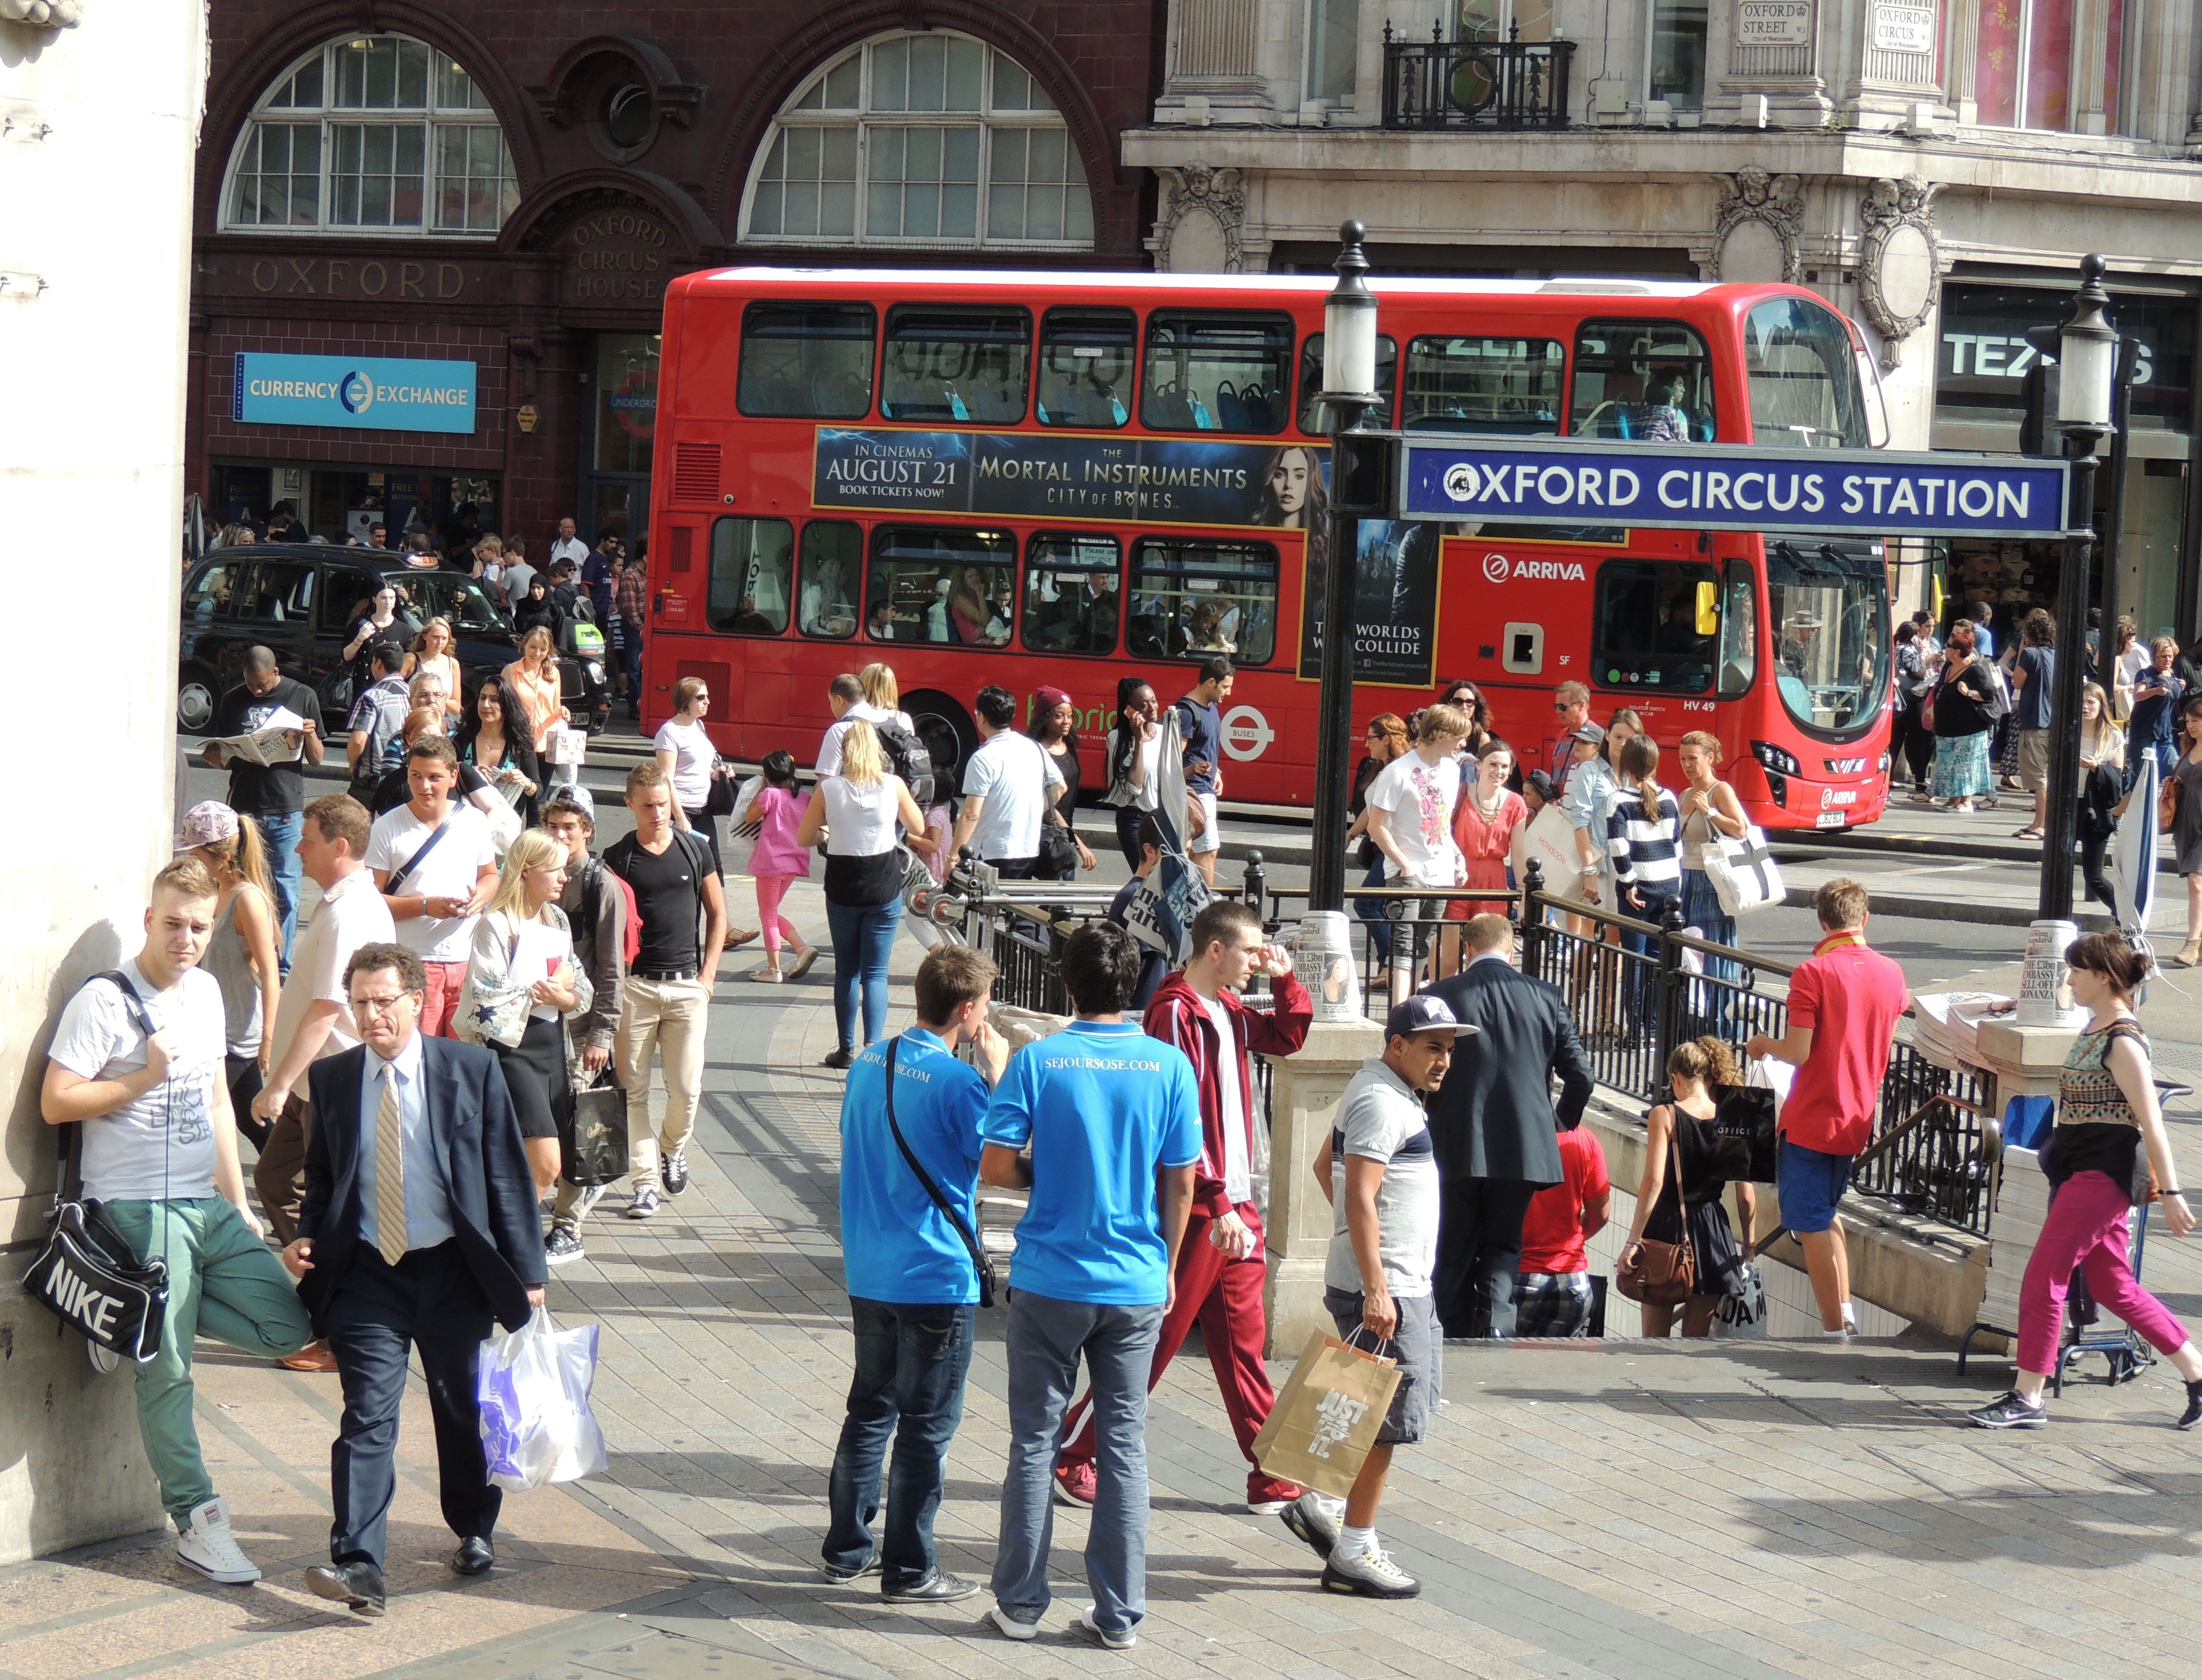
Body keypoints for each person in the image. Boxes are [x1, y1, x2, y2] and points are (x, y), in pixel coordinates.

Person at [41, 857, 316, 1584]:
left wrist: (240, 1203)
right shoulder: (105, 1000)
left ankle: (127, 1318)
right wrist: (142, 1078)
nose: (185, 938)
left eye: (198, 927)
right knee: (169, 1373)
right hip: (137, 1205)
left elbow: (218, 1101)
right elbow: (56, 1101)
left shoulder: (207, 992)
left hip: (206, 1204)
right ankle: (197, 1519)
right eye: (172, 924)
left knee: (290, 1328)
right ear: (148, 921)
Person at [281, 941, 546, 1617]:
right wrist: (308, 1233)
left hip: (454, 1270)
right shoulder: (333, 1077)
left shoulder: (471, 1069)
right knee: (367, 1415)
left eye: (384, 1002)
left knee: (459, 1407)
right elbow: (323, 1173)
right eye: (360, 1003)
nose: (372, 1015)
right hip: (369, 1275)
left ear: (416, 1001)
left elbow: (506, 1174)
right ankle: (359, 1563)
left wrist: (528, 1272)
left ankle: (474, 1527)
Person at [979, 924, 1201, 1650]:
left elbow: (995, 1165)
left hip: (1050, 1278)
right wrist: (1168, 1267)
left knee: (1034, 1442)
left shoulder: (1038, 1060)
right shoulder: (1168, 1066)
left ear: (1066, 984)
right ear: (1133, 984)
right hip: (1134, 1280)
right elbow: (1181, 1180)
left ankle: (1020, 1605)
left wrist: (1049, 1175)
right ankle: (1119, 1614)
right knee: (1124, 1446)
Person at [1052, 900, 1312, 1514]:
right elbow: (1179, 1119)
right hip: (1200, 1208)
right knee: (1158, 1339)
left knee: (1243, 1346)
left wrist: (1285, 980)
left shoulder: (1224, 1008)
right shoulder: (1175, 1010)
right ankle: (1069, 1451)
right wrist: (1218, 1201)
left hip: (1231, 1204)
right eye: (1250, 951)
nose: (1257, 961)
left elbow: (1289, 1036)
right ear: (1215, 950)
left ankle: (1272, 1472)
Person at [823, 946, 1009, 1602]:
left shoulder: (869, 1060)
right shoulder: (960, 1082)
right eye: (984, 1005)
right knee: (926, 1425)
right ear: (967, 1008)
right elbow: (998, 1161)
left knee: (869, 1410)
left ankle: (846, 1550)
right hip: (933, 1274)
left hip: (869, 1267)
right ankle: (908, 1568)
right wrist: (1000, 1075)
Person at [1968, 934, 2202, 1430]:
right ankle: (2198, 1372)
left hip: (2101, 1175)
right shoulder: (2096, 1024)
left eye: (2076, 970)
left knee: (2043, 1278)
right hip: (2083, 1170)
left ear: (2103, 976)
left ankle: (2028, 1397)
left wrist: (2172, 1192)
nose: (2068, 979)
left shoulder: (2123, 1041)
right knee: (2112, 1285)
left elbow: (2151, 1123)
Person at [1281, 994, 1467, 1599]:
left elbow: (1325, 1167)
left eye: (1449, 1049)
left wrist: (1361, 1248)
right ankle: (1355, 1550)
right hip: (1389, 1291)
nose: (1443, 1060)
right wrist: (1377, 1284)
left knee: (1366, 1409)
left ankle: (1324, 1504)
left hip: (1394, 1283)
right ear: (1398, 1045)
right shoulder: (1383, 1102)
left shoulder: (1382, 1091)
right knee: (1384, 1424)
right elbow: (1357, 1192)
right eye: (1433, 1047)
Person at [1746, 878, 1908, 1339]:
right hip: (1857, 1115)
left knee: (1808, 1219)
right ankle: (1845, 1311)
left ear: (1822, 922)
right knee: (1827, 1211)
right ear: (1864, 918)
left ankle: (1834, 1330)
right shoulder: (1891, 972)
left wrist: (1763, 1045)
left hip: (1812, 1116)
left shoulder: (1812, 973)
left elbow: (1797, 1051)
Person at [1424, 911, 1594, 1337]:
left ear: (1467, 949)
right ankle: (1496, 1334)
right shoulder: (1546, 996)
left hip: (1455, 1141)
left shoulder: (1441, 995)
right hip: (1523, 1146)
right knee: (1503, 1249)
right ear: (1511, 949)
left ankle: (1449, 1338)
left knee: (1451, 1251)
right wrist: (1555, 1126)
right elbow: (1581, 1076)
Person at [607, 763, 730, 1219]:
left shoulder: (695, 849)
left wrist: (708, 976)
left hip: (686, 987)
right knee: (632, 1091)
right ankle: (644, 1184)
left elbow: (718, 913)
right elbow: (607, 926)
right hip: (635, 988)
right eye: (647, 806)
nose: (657, 813)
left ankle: (672, 1148)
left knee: (686, 1088)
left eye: (662, 803)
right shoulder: (618, 857)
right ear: (630, 804)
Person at [800, 721, 937, 1067]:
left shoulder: (829, 789)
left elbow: (804, 837)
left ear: (844, 753)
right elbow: (918, 826)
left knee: (847, 970)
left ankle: (845, 1049)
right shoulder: (893, 785)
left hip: (843, 885)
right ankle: (873, 1047)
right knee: (876, 972)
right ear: (877, 751)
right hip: (883, 884)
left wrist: (827, 832)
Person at [462, 829, 583, 1198]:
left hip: (553, 1050)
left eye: (564, 869)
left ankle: (512, 1227)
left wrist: (565, 997)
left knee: (530, 1163)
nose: (564, 878)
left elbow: (580, 987)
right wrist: (543, 990)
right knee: (547, 1164)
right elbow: (485, 995)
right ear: (526, 871)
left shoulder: (557, 919)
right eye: (555, 869)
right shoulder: (495, 924)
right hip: (513, 1052)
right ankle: (518, 1229)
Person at [1619, 1037, 1759, 1338]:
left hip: (1667, 1225)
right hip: (1713, 1231)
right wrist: (1749, 1243)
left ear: (1676, 1078)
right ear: (1708, 1077)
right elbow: (1746, 1195)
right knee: (1695, 1340)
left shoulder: (1665, 1115)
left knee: (1654, 1339)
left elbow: (1654, 1182)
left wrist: (1633, 1242)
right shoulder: (1733, 1116)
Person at [540, 788, 628, 1266]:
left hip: (580, 1027)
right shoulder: (537, 877)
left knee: (577, 1124)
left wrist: (602, 1034)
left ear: (587, 832)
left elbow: (613, 969)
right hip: (541, 1025)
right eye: (552, 825)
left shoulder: (600, 885)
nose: (559, 834)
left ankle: (568, 1225)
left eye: (569, 827)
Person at [365, 736, 500, 1039]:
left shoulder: (474, 821)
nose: (424, 786)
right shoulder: (386, 827)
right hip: (413, 962)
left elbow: (490, 876)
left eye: (434, 777)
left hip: (468, 960)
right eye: (416, 776)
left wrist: (481, 897)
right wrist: (426, 906)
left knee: (463, 1057)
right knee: (421, 1053)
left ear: (453, 777)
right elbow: (370, 903)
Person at [202, 645, 325, 968]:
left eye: (263, 685)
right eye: (251, 684)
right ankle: (246, 958)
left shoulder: (302, 695)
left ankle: (280, 965)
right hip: (244, 810)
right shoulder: (233, 700)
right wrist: (216, 756)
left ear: (276, 673)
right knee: (242, 885)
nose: (256, 690)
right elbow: (223, 758)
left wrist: (311, 735)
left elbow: (316, 758)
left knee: (286, 890)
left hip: (285, 807)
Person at [179, 802, 281, 1146]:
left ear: (222, 857)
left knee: (250, 1122)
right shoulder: (209, 892)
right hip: (207, 1028)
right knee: (221, 1120)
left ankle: (294, 1176)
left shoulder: (247, 900)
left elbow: (271, 973)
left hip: (237, 1034)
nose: (189, 859)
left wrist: (268, 1039)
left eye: (195, 854)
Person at [1364, 702, 1470, 986]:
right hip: (1408, 871)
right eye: (1459, 737)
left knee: (1422, 946)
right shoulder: (1398, 771)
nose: (1463, 744)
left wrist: (1457, 856)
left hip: (1440, 871)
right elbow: (1376, 826)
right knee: (1403, 947)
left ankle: (1411, 1005)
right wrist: (1404, 865)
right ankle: (1400, 1007)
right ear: (1440, 735)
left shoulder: (1452, 770)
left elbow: (1441, 823)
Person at [951, 685, 1066, 879]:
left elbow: (971, 814)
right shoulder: (1034, 748)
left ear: (981, 717)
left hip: (991, 853)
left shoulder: (982, 758)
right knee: (1018, 898)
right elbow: (1060, 787)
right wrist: (1030, 814)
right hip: (1028, 850)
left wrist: (952, 857)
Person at [1512, 1118, 1611, 1338]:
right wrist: (1569, 1241)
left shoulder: (1507, 1134)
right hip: (1573, 1280)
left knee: (1502, 1357)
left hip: (1516, 1275)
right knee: (1559, 1358)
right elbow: (1601, 1215)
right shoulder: (1585, 1139)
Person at [1607, 734, 1683, 1018]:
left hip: (1638, 891)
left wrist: (1628, 883)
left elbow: (1618, 846)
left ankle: (1636, 1028)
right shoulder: (1669, 798)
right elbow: (1677, 847)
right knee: (1658, 961)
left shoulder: (1618, 800)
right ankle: (1653, 1026)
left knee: (1635, 960)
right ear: (1655, 764)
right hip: (1669, 889)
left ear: (1626, 765)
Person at [1674, 728, 1749, 996]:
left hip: (1712, 881)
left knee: (1710, 948)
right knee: (1688, 951)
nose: (1687, 765)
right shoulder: (1684, 795)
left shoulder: (1720, 790)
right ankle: (1690, 1011)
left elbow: (1740, 830)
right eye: (1683, 759)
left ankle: (1717, 1011)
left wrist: (1709, 811)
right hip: (1687, 880)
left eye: (1693, 759)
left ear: (1710, 758)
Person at [742, 750, 820, 982]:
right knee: (771, 911)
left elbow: (749, 817)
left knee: (767, 914)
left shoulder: (770, 795)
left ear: (768, 775)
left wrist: (762, 788)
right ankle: (801, 948)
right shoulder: (804, 798)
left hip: (770, 862)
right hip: (794, 863)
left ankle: (774, 968)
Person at [1347, 713, 1411, 961]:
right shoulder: (1383, 768)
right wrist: (1352, 833)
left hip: (1392, 848)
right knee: (1384, 907)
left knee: (1366, 904)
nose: (1366, 744)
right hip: (1380, 849)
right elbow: (1371, 808)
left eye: (1371, 738)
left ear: (1386, 739)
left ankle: (1393, 960)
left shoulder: (1400, 769)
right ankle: (1394, 962)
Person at [1447, 738, 1527, 926]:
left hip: (1493, 883)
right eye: (1493, 764)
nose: (1499, 771)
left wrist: (1524, 894)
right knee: (1450, 940)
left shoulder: (1516, 803)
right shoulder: (1458, 794)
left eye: (1505, 766)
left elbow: (1518, 853)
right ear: (1479, 765)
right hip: (1457, 877)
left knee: (1488, 939)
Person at [656, 674, 725, 874]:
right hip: (682, 808)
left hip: (703, 807)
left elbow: (701, 765)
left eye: (707, 696)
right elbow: (666, 778)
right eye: (701, 697)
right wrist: (680, 817)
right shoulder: (669, 732)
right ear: (686, 700)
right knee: (684, 869)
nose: (707, 702)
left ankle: (719, 897)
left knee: (713, 866)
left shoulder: (699, 726)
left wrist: (716, 774)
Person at [453, 676, 543, 830]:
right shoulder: (463, 738)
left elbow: (538, 790)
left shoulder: (520, 744)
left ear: (507, 705)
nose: (486, 705)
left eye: (494, 700)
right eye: (483, 698)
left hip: (505, 831)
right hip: (466, 826)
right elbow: (445, 777)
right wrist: (467, 774)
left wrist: (526, 783)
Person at [1925, 621, 1995, 812]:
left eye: (1948, 646)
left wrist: (1969, 693)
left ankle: (1966, 802)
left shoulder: (1974, 670)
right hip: (1948, 729)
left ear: (1956, 652)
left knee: (1965, 768)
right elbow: (1940, 689)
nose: (1945, 648)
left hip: (1969, 730)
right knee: (1949, 767)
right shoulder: (1949, 666)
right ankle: (1953, 800)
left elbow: (1988, 693)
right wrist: (1933, 710)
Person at [1104, 814, 1171, 1011]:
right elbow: (1148, 974)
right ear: (1149, 850)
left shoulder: (1160, 895)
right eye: (1174, 852)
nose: (1184, 861)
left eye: (1187, 851)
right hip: (1142, 1015)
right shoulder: (1134, 897)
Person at [1031, 685, 1098, 881]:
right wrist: (1078, 844)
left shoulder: (1068, 745)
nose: (1066, 722)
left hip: (1064, 838)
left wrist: (1070, 838)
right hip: (1047, 840)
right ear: (1045, 718)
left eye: (1070, 716)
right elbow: (1046, 807)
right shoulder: (1038, 752)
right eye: (1059, 716)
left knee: (1063, 897)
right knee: (1053, 896)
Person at [1175, 659, 1233, 885]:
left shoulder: (1211, 707)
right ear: (1211, 682)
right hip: (1194, 792)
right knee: (1208, 851)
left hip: (1205, 788)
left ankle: (1190, 899)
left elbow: (1205, 748)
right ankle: (1206, 902)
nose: (1229, 692)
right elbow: (1173, 758)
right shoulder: (1187, 713)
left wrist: (1216, 772)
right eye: (1225, 687)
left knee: (1192, 852)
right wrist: (1192, 771)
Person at [1101, 678, 1163, 869]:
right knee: (1146, 876)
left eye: (1154, 701)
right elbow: (1135, 787)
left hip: (1162, 818)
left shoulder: (1165, 733)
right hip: (1135, 820)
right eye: (1143, 705)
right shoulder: (1117, 738)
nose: (1152, 708)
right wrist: (1139, 740)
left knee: (1164, 877)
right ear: (1130, 711)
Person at [2075, 681, 2126, 913]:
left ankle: (2123, 912)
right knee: (2058, 867)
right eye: (2081, 702)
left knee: (2094, 876)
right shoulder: (2069, 730)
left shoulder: (2113, 735)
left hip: (2096, 809)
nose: (2085, 707)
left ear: (2101, 705)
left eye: (2091, 702)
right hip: (2068, 805)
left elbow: (2117, 779)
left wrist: (2096, 768)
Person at [817, 664, 915, 778]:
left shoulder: (849, 722)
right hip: (897, 786)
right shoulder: (903, 719)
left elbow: (826, 778)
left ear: (863, 686)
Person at [345, 642, 410, 805]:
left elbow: (358, 741)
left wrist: (353, 765)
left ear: (379, 663)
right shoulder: (412, 693)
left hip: (374, 778)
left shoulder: (373, 697)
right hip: (405, 776)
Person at [2012, 608, 2058, 841]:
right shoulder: (2057, 656)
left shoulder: (2030, 654)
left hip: (2035, 722)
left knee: (2039, 777)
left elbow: (2017, 682)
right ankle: (2038, 822)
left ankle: (2043, 825)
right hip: (2053, 723)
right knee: (2046, 774)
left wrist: (2022, 651)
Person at [2167, 695, 2202, 968]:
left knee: (2196, 881)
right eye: (2188, 721)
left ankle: (2191, 944)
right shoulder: (2188, 748)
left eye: (2197, 721)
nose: (2191, 726)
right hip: (2187, 823)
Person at [502, 625, 568, 760]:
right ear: (525, 645)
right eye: (533, 647)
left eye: (543, 650)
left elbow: (556, 707)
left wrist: (563, 710)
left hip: (547, 741)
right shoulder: (510, 672)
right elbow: (502, 708)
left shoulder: (553, 673)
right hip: (519, 740)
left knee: (545, 775)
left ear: (549, 651)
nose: (537, 653)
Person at [2130, 636, 2186, 788]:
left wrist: (2180, 686)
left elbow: (2172, 696)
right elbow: (2137, 696)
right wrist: (2155, 691)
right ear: (2155, 656)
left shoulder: (2171, 675)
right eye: (2164, 656)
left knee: (2176, 771)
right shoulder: (2145, 674)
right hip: (2145, 734)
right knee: (2141, 779)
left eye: (2170, 656)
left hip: (2165, 735)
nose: (2168, 660)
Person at [1891, 622, 1934, 794]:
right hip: (1912, 699)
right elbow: (1920, 672)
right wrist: (1923, 657)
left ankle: (1888, 778)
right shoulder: (1909, 651)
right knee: (1918, 738)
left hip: (1899, 699)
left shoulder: (1895, 649)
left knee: (1896, 739)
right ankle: (1920, 780)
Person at [340, 587, 412, 687]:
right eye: (383, 598)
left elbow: (408, 663)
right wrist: (360, 639)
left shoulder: (404, 630)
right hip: (361, 686)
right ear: (374, 600)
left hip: (389, 688)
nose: (388, 602)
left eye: (392, 598)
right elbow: (346, 657)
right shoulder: (360, 623)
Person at [402, 619, 464, 721]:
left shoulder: (453, 664)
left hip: (442, 721)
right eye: (436, 637)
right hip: (415, 719)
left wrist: (437, 698)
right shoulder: (411, 659)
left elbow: (456, 708)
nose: (440, 643)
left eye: (444, 638)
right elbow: (395, 687)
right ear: (425, 636)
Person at [613, 547, 648, 715]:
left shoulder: (646, 575)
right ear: (646, 558)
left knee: (643, 668)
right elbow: (629, 609)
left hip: (645, 625)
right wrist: (642, 629)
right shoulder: (630, 575)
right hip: (635, 626)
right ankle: (635, 706)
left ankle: (643, 704)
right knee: (634, 667)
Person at [1548, 681, 1592, 791]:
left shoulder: (1594, 736)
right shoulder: (1562, 734)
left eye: (1563, 707)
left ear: (1581, 706)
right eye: (1556, 706)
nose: (1558, 711)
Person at [582, 531, 617, 626]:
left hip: (606, 610)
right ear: (603, 541)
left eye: (615, 543)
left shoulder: (608, 558)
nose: (614, 546)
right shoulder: (593, 559)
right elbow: (585, 583)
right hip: (596, 609)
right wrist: (589, 608)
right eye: (611, 542)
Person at [542, 517, 585, 585]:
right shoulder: (554, 546)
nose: (570, 530)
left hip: (575, 586)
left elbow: (588, 570)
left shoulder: (582, 548)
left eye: (572, 527)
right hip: (557, 586)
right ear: (560, 529)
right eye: (566, 528)